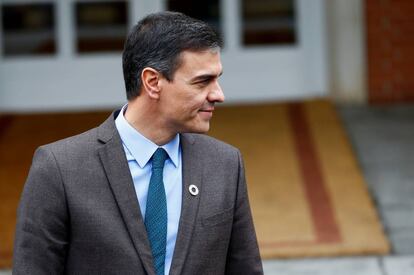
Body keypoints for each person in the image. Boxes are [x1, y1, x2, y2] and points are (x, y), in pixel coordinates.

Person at [13, 11, 263, 275]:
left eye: (217, 79)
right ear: (153, 82)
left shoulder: (225, 165)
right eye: (202, 82)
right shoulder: (59, 169)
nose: (219, 95)